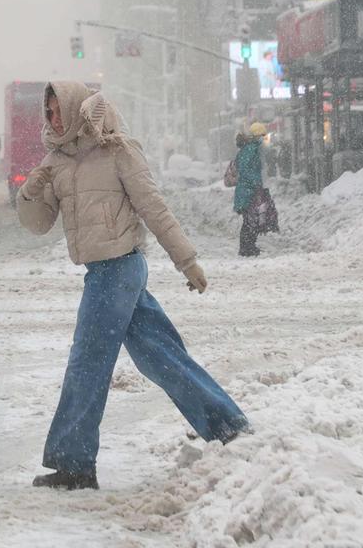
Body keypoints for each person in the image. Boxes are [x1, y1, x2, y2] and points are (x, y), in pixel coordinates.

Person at [16, 81, 249, 490]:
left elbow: (152, 206)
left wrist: (187, 260)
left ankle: (74, 464)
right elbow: (38, 225)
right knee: (161, 357)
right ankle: (228, 425)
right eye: (47, 113)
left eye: (58, 110)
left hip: (118, 271)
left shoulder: (116, 149)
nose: (52, 119)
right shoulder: (57, 161)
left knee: (87, 363)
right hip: (105, 274)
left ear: (73, 108)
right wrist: (30, 194)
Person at [234, 122, 268, 257]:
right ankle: (247, 248)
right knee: (250, 220)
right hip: (248, 191)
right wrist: (256, 184)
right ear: (257, 137)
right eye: (262, 136)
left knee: (250, 220)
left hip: (247, 190)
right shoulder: (251, 150)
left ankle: (248, 246)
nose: (263, 139)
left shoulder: (250, 149)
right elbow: (246, 170)